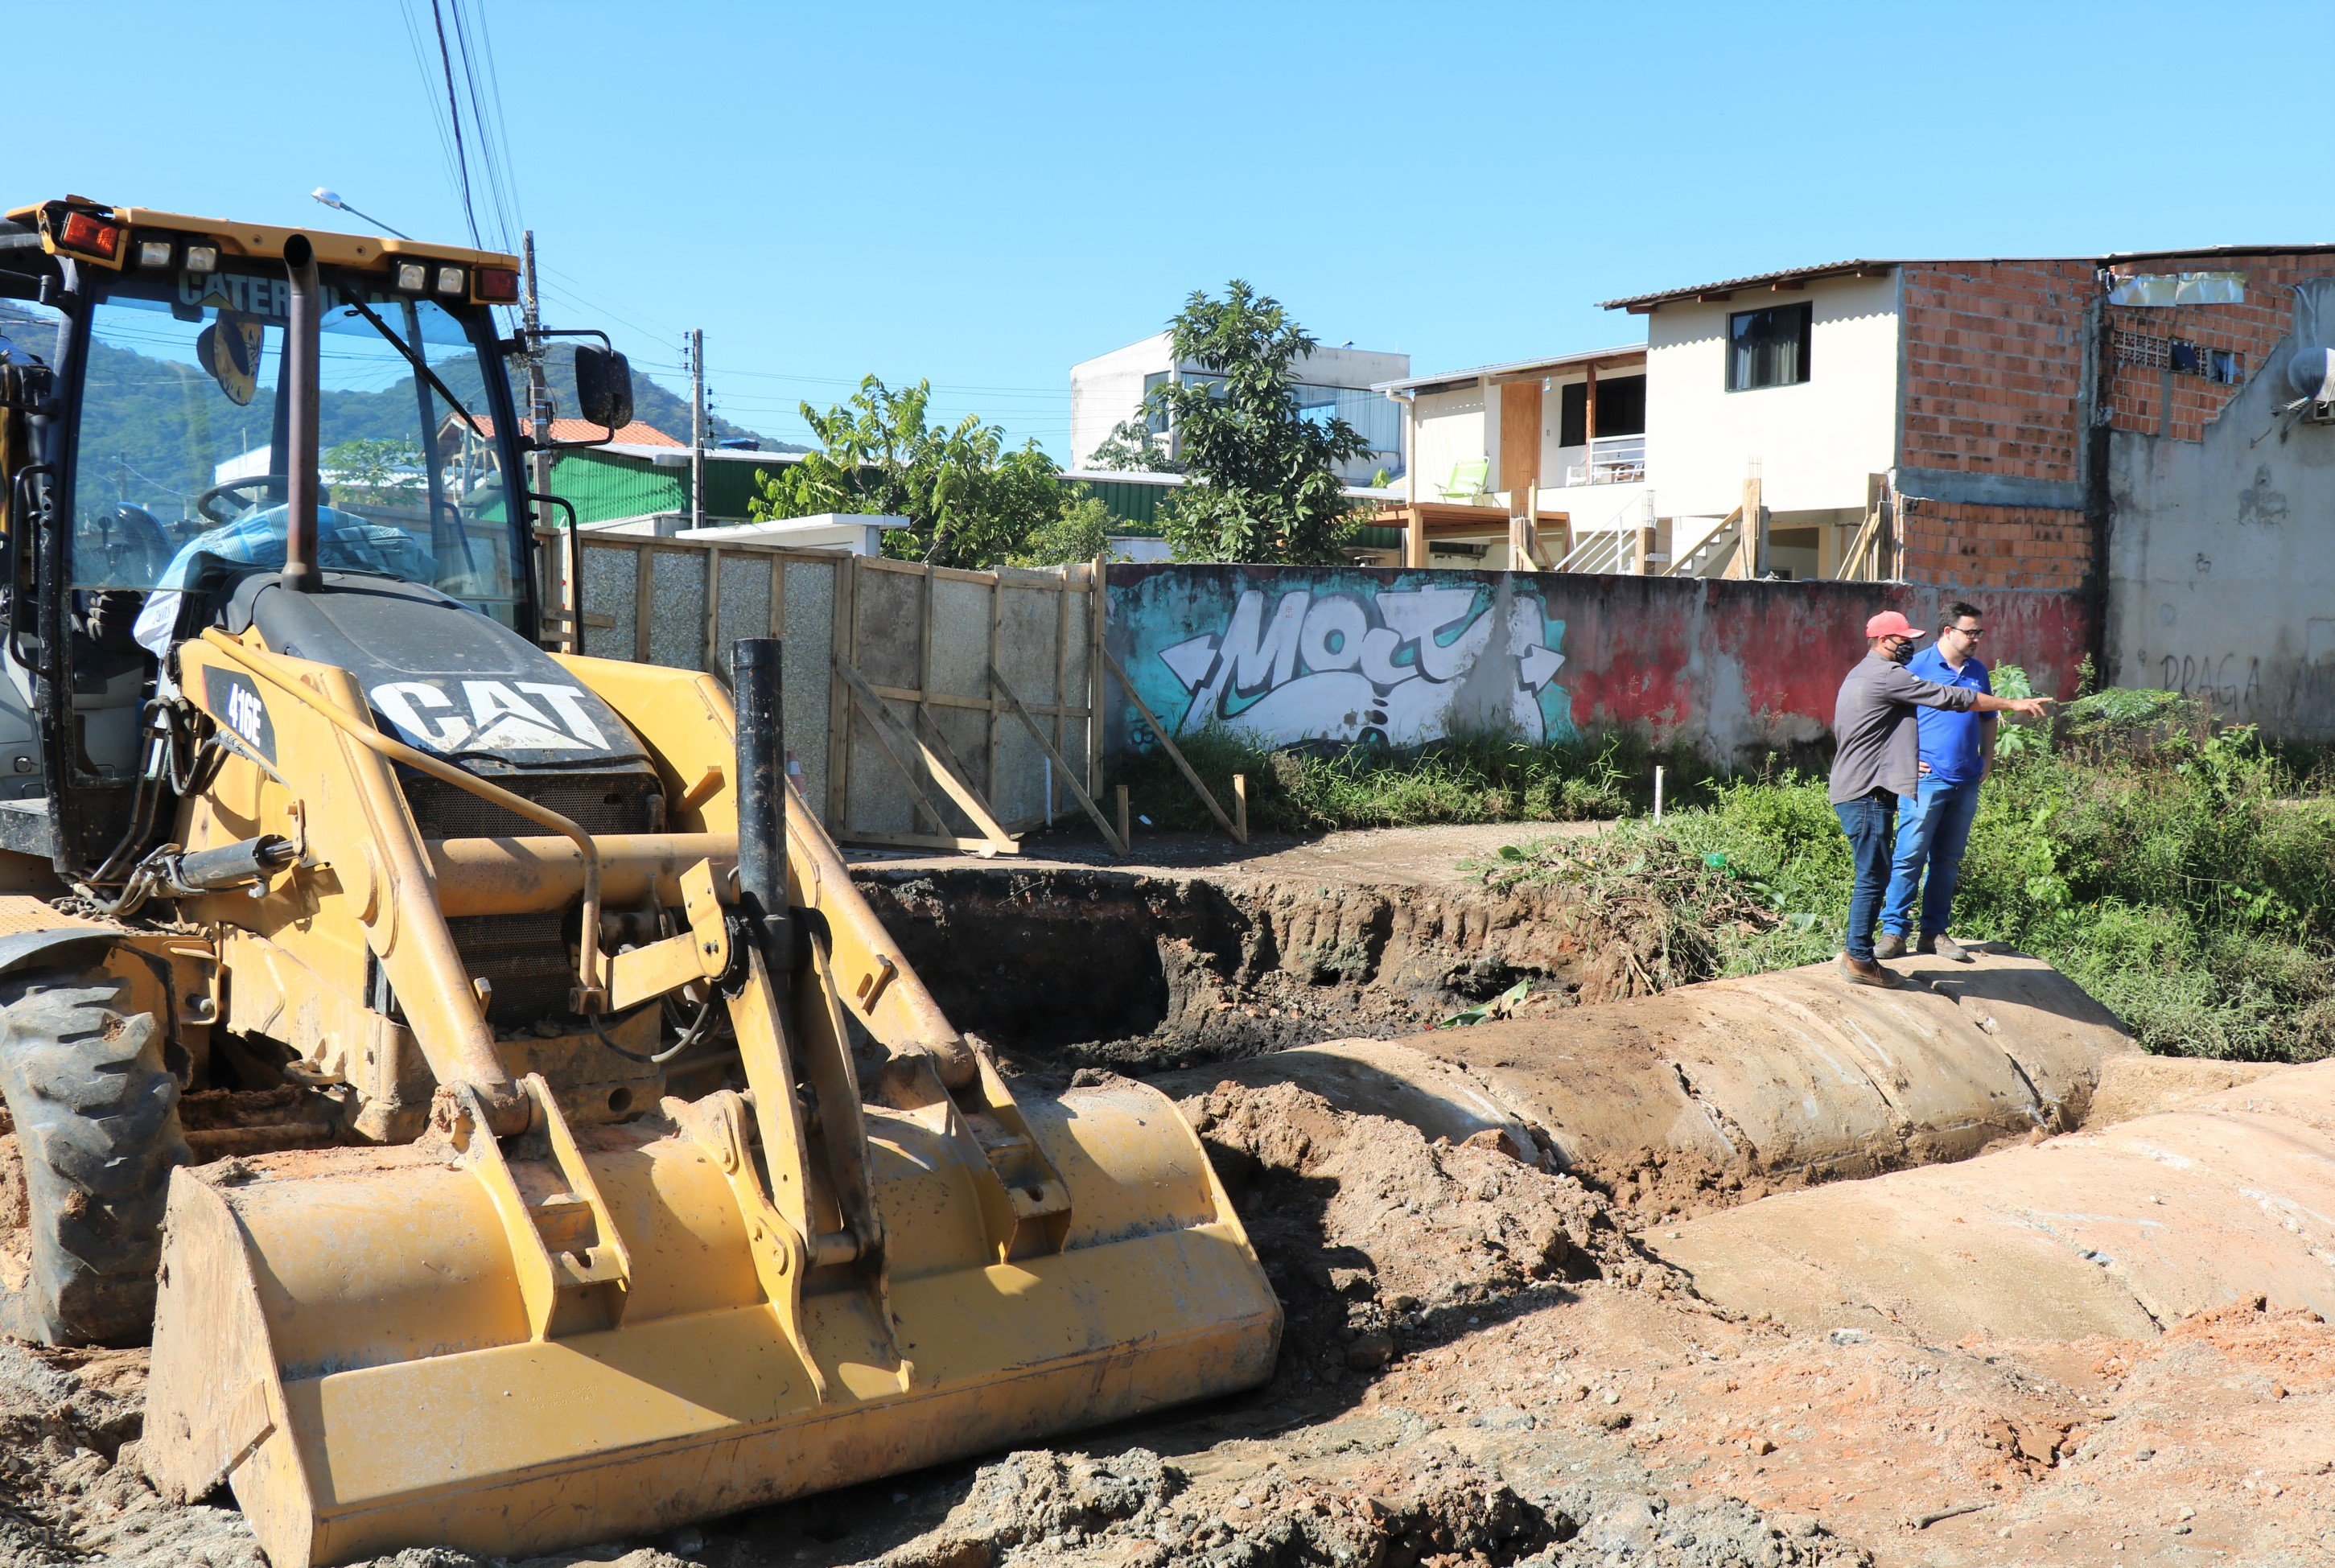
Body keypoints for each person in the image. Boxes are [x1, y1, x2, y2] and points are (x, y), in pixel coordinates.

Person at [1830, 610, 2050, 989]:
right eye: (1903, 640)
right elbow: (1948, 697)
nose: (1909, 646)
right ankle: (1861, 959)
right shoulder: (1888, 675)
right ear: (1884, 640)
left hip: (1865, 786)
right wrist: (2011, 704)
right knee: (1873, 876)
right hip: (1866, 791)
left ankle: (1865, 952)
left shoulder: (1861, 673)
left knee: (1879, 871)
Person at [1876, 602, 1996, 962]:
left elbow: (1988, 716)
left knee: (1947, 860)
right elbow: (1885, 716)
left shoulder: (1977, 670)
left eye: (1980, 632)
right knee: (1909, 856)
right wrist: (1905, 760)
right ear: (1948, 632)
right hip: (1927, 781)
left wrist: (1987, 758)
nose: (1976, 639)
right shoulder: (1916, 666)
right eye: (1970, 632)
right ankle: (1894, 932)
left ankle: (1933, 934)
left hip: (1966, 779)